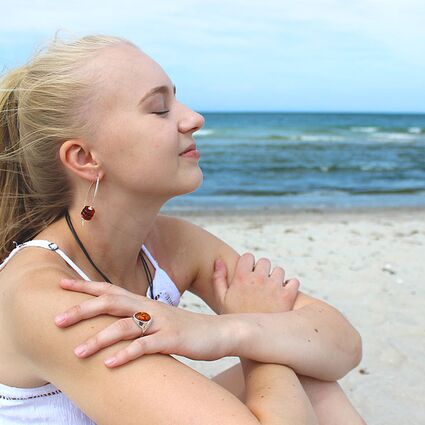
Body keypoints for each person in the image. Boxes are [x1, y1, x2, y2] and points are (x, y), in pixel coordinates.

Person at [0, 34, 365, 424]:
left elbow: (344, 347)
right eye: (160, 109)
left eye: (176, 99)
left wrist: (228, 330)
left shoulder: (171, 243)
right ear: (85, 158)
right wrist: (260, 333)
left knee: (314, 383)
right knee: (288, 366)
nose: (194, 118)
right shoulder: (49, 299)